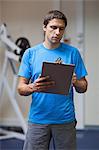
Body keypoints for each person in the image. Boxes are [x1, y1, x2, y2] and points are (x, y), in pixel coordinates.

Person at [17, 10, 88, 150]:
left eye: (61, 29)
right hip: (38, 119)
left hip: (65, 119)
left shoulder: (73, 53)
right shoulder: (31, 54)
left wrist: (74, 81)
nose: (57, 32)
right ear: (44, 27)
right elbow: (21, 88)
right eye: (53, 27)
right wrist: (33, 87)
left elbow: (83, 87)